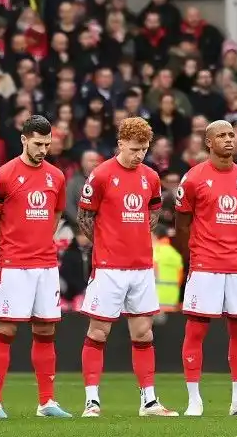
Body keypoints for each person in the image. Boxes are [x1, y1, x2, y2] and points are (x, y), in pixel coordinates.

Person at [75, 115, 176, 417]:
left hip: (141, 266)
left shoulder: (151, 177)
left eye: (143, 149)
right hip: (109, 267)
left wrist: (139, 238)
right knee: (99, 331)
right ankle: (91, 401)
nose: (138, 155)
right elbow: (84, 217)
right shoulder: (102, 174)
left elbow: (154, 212)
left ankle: (149, 401)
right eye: (133, 149)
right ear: (120, 144)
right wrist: (106, 243)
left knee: (144, 333)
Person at [0, 113, 72, 419]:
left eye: (47, 143)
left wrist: (42, 241)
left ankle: (46, 402)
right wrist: (2, 255)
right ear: (24, 140)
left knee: (45, 330)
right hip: (14, 264)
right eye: (37, 143)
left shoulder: (56, 176)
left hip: (45, 264)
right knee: (5, 330)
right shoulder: (5, 175)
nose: (43, 149)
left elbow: (56, 215)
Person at [172, 119, 237, 417]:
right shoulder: (193, 179)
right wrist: (196, 253)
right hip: (205, 265)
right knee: (196, 331)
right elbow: (181, 224)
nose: (228, 139)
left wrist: (235, 243)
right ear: (208, 142)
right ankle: (194, 400)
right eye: (221, 135)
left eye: (231, 135)